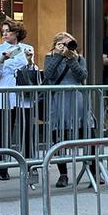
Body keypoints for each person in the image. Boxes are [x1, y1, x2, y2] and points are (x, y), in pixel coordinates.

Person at [44, 32, 90, 188]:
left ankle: (93, 171)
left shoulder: (78, 58)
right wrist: (58, 55)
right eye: (63, 44)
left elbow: (82, 75)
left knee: (87, 134)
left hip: (77, 101)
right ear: (56, 44)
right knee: (59, 138)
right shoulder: (50, 57)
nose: (66, 47)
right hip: (58, 102)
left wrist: (71, 58)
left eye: (70, 43)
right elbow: (49, 75)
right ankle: (63, 174)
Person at [0, 20, 35, 180]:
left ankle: (30, 165)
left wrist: (29, 60)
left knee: (27, 130)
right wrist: (2, 59)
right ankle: (3, 166)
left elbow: (31, 71)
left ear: (16, 33)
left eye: (8, 31)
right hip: (6, 91)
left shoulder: (27, 48)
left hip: (23, 92)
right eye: (3, 31)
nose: (5, 34)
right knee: (4, 131)